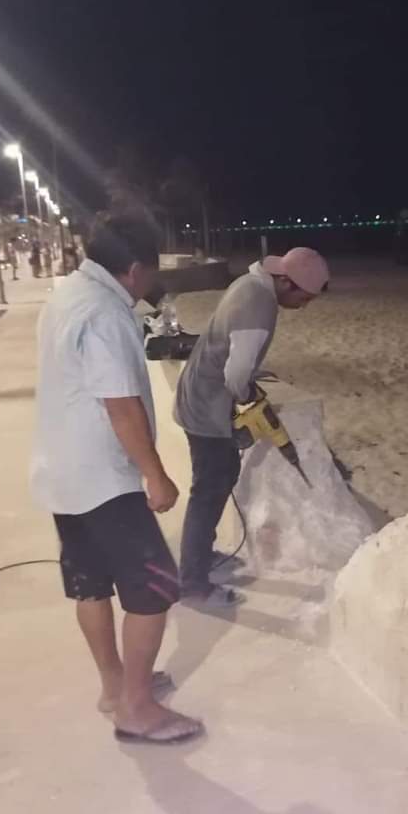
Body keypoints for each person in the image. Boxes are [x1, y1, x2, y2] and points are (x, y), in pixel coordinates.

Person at [31, 213, 202, 744]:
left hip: (63, 471)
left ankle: (114, 684)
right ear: (132, 269)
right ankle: (137, 708)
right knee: (155, 589)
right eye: (150, 274)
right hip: (104, 476)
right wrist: (157, 475)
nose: (151, 284)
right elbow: (121, 407)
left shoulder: (67, 294)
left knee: (91, 583)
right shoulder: (105, 313)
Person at [174, 247, 329, 603]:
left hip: (199, 396)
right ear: (286, 282)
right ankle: (193, 582)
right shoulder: (259, 305)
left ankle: (198, 556)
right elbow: (236, 373)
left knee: (218, 479)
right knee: (209, 490)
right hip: (206, 407)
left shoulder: (249, 284)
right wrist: (248, 396)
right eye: (303, 298)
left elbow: (234, 348)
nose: (303, 306)